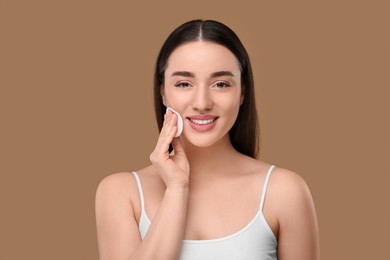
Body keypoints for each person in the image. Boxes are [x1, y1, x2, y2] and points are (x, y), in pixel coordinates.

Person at [95, 19, 320, 260]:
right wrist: (176, 189)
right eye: (184, 83)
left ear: (243, 92)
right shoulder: (121, 192)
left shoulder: (284, 191)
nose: (202, 103)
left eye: (221, 84)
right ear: (162, 92)